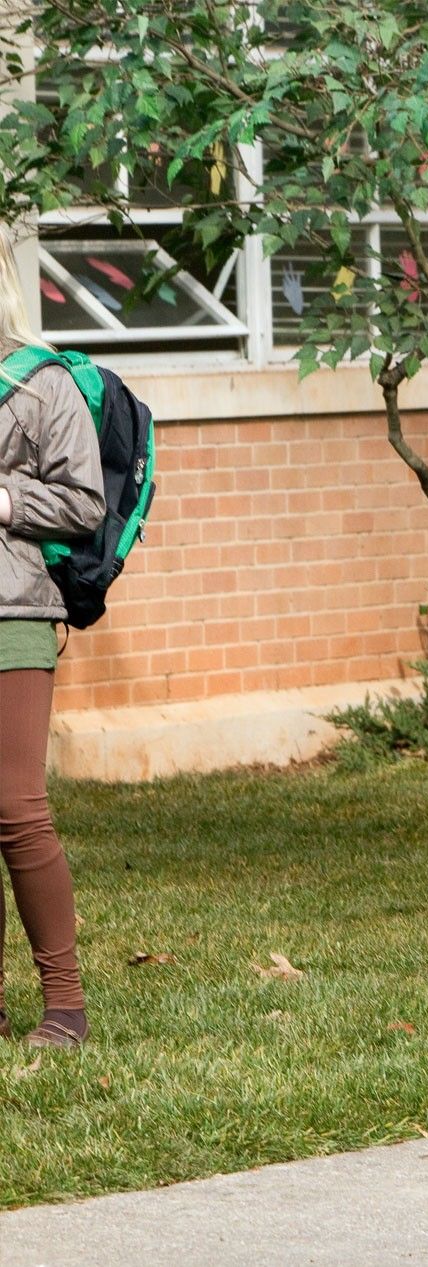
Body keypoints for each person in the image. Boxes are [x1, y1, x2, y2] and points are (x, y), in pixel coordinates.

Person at [0, 240, 105, 1049]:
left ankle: (64, 1008)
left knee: (17, 808)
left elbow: (83, 502)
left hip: (12, 615)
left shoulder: (44, 381)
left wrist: (3, 497)